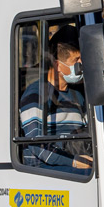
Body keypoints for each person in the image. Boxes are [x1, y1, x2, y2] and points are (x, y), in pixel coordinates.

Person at [18, 23, 92, 170]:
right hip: (48, 175)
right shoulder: (34, 96)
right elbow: (37, 145)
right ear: (58, 65)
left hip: (78, 172)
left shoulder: (78, 96)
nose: (81, 64)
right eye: (76, 61)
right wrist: (73, 162)